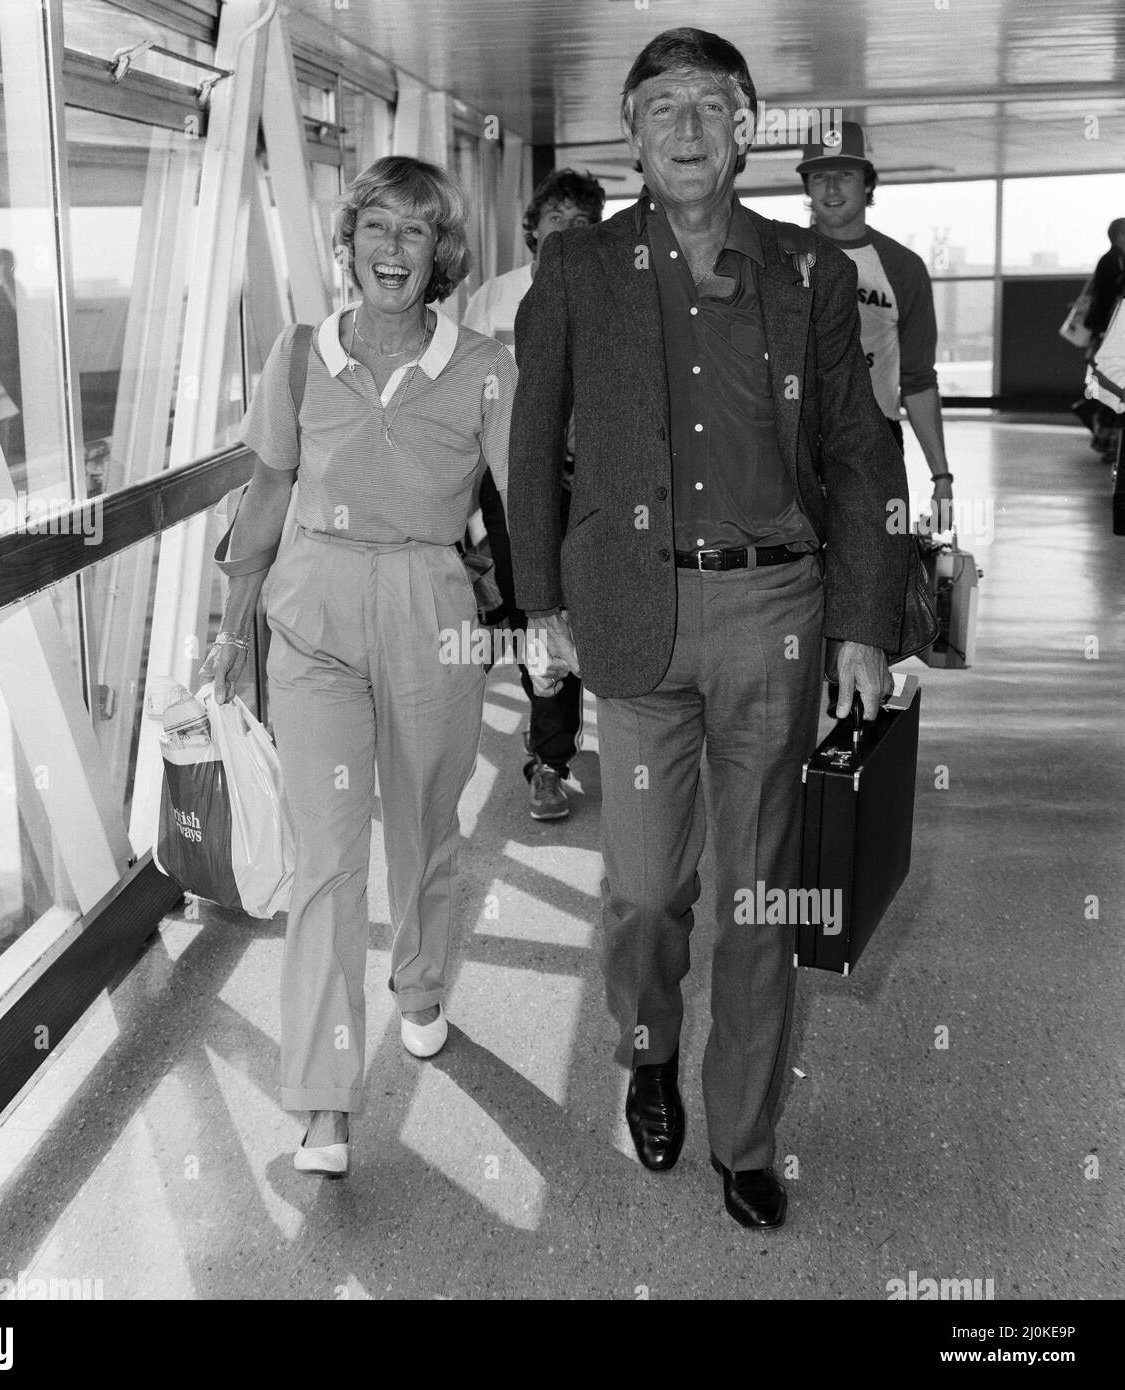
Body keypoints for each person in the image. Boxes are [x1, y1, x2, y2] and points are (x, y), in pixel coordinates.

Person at [508, 27, 909, 1229]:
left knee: (757, 896)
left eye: (710, 104)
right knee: (641, 893)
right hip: (635, 613)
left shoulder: (808, 273)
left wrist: (863, 624)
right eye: (661, 104)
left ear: (747, 127)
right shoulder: (577, 272)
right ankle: (647, 1051)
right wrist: (535, 605)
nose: (686, 124)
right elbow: (534, 448)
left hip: (776, 614)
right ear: (631, 132)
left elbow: (857, 451)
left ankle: (745, 1133)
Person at [202, 155, 516, 1178]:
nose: (392, 249)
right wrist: (231, 608)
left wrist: (550, 616)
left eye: (414, 232)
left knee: (426, 827)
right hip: (315, 616)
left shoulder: (485, 367)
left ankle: (420, 984)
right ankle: (325, 1102)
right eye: (375, 226)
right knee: (328, 856)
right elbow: (266, 487)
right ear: (348, 245)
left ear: (441, 255)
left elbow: (528, 506)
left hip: (431, 608)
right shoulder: (298, 357)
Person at [462, 169, 606, 820]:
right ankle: (548, 758)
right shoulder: (492, 302)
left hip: (597, 483)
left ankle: (634, 749)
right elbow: (466, 398)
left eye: (584, 227)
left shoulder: (615, 297)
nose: (571, 238)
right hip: (510, 483)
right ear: (530, 233)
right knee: (536, 617)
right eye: (558, 226)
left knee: (600, 613)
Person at [799, 122, 954, 529]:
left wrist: (941, 476)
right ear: (807, 188)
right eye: (819, 176)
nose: (831, 188)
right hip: (793, 433)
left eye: (845, 175)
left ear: (868, 184)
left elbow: (918, 380)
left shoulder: (903, 267)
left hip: (875, 437)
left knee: (872, 570)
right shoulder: (779, 257)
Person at [1083, 217, 1125, 455]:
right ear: (1120, 236)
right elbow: (1106, 299)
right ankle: (1110, 443)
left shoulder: (1114, 261)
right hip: (1109, 333)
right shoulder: (1112, 262)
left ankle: (1110, 443)